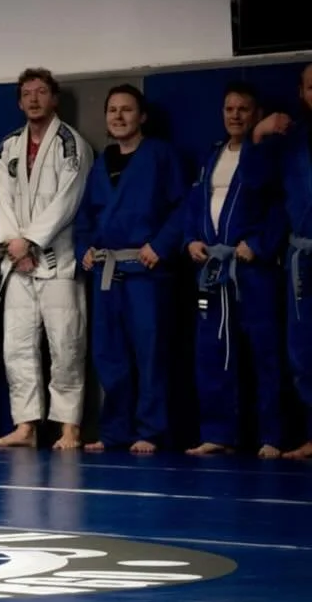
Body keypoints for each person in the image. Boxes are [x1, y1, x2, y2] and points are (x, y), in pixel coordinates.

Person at [74, 85, 185, 454]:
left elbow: (183, 207)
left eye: (126, 110)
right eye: (112, 110)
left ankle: (151, 430)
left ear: (143, 117)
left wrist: (162, 245)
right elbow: (86, 217)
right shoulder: (102, 163)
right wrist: (85, 249)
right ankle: (115, 430)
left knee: (150, 352)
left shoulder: (160, 155)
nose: (118, 117)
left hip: (146, 270)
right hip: (106, 271)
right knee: (110, 355)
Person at [0, 68, 92, 451]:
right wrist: (14, 245)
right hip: (16, 263)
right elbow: (1, 198)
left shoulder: (71, 144)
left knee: (66, 345)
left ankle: (69, 428)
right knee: (16, 346)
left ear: (54, 99)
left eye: (41, 92)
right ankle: (26, 425)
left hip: (59, 262)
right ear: (19, 101)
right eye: (27, 93)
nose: (34, 99)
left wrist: (31, 241)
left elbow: (69, 201)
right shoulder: (7, 146)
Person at [185, 82, 285, 458]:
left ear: (256, 114)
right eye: (229, 109)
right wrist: (191, 239)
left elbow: (279, 208)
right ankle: (218, 433)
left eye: (243, 109)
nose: (235, 115)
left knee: (264, 354)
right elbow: (194, 205)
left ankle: (272, 436)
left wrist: (258, 245)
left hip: (252, 272)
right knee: (212, 353)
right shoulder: (211, 156)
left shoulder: (267, 156)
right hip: (213, 272)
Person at [250, 61, 312, 460]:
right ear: (302, 93)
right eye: (311, 86)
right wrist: (258, 133)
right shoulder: (290, 138)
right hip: (303, 258)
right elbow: (255, 183)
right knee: (304, 353)